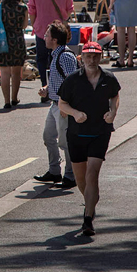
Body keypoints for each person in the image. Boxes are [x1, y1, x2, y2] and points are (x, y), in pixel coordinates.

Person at [58, 41, 120, 237]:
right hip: (76, 134)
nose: (91, 60)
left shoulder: (109, 78)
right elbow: (62, 103)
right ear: (81, 58)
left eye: (95, 56)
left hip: (100, 133)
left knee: (92, 174)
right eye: (88, 56)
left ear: (101, 57)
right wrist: (74, 113)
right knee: (80, 179)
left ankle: (87, 218)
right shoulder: (72, 80)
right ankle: (91, 200)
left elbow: (115, 97)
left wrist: (113, 112)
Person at [33, 21, 79, 190]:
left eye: (46, 35)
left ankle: (70, 175)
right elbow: (60, 80)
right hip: (55, 105)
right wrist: (47, 89)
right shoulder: (55, 54)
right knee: (48, 137)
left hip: (62, 107)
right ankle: (54, 171)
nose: (44, 37)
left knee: (65, 142)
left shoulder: (64, 56)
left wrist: (67, 107)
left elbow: (73, 82)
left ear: (54, 39)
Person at [27, 0, 75, 88]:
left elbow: (31, 9)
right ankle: (58, 87)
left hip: (41, 29)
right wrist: (63, 20)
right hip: (59, 30)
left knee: (42, 59)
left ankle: (44, 86)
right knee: (58, 58)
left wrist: (35, 25)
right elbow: (70, 9)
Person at [0, 0, 28, 110]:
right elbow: (25, 26)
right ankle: (15, 98)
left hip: (3, 40)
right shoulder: (23, 7)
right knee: (16, 71)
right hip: (18, 40)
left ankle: (6, 101)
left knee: (5, 72)